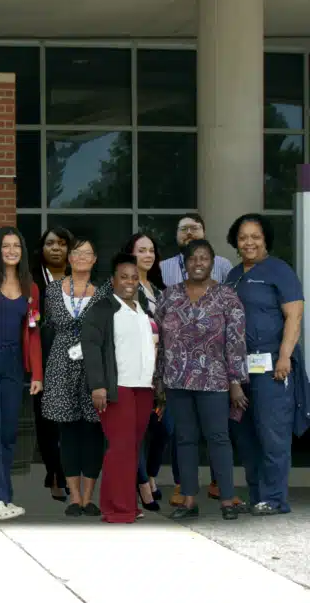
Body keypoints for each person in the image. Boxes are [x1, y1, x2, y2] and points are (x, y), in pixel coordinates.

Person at [155, 240, 248, 520]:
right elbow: (157, 340)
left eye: (204, 258)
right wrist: (158, 379)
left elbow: (236, 341)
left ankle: (228, 500)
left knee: (218, 438)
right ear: (184, 263)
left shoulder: (227, 297)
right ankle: (188, 501)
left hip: (214, 381)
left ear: (212, 262)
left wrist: (235, 381)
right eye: (193, 258)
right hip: (176, 381)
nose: (198, 263)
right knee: (184, 440)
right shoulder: (169, 296)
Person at [226, 213, 309, 516]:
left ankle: (275, 499)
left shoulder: (279, 271)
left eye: (255, 236)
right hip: (239, 368)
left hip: (273, 366)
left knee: (272, 432)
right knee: (245, 435)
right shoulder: (233, 275)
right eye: (243, 236)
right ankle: (258, 495)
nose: (249, 242)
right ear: (236, 241)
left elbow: (294, 317)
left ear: (265, 240)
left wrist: (285, 356)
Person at [79, 253, 156, 524]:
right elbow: (90, 348)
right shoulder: (103, 308)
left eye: (134, 278)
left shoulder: (142, 308)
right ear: (113, 280)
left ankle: (125, 504)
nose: (130, 282)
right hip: (117, 388)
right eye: (124, 277)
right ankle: (117, 508)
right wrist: (98, 386)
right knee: (120, 447)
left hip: (143, 388)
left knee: (132, 448)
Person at [0, 226, 42, 521]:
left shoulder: (31, 287)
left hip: (15, 366)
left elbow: (34, 331)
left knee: (8, 434)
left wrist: (37, 373)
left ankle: (3, 497)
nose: (11, 250)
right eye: (5, 246)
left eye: (16, 245)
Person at [42, 237, 108, 517]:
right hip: (61, 364)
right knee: (67, 433)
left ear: (94, 260)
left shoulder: (104, 292)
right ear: (69, 258)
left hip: (93, 365)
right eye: (77, 252)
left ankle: (89, 497)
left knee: (93, 432)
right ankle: (74, 496)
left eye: (87, 253)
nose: (82, 257)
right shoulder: (53, 291)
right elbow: (47, 326)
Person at [119, 233, 169, 512]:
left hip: (159, 370)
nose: (147, 255)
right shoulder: (125, 287)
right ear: (131, 254)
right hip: (135, 369)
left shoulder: (159, 289)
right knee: (136, 430)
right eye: (141, 250)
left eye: (151, 250)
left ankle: (149, 474)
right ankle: (142, 486)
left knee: (162, 429)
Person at [31, 226, 72, 502]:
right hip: (44, 358)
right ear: (42, 249)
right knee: (48, 422)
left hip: (74, 358)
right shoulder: (34, 281)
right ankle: (54, 472)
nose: (56, 248)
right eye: (50, 243)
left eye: (61, 243)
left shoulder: (79, 278)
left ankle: (64, 470)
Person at [159, 213, 233, 287]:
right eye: (183, 229)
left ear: (204, 233)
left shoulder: (223, 265)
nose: (189, 232)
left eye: (194, 228)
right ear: (176, 235)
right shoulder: (162, 268)